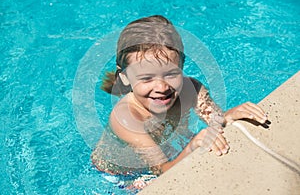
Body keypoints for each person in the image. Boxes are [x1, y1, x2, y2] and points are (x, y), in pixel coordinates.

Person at [91, 15, 268, 189]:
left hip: (161, 153)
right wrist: (192, 146)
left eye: (171, 74)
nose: (161, 87)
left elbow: (216, 121)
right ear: (125, 77)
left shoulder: (192, 90)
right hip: (121, 173)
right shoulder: (127, 117)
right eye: (146, 78)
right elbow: (163, 172)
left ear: (182, 65)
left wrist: (230, 115)